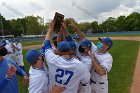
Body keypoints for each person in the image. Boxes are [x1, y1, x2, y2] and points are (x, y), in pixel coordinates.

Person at [42, 21, 90, 93]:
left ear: (58, 50)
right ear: (71, 50)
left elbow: (46, 45)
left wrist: (50, 30)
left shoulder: (52, 60)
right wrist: (64, 28)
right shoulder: (80, 65)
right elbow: (86, 80)